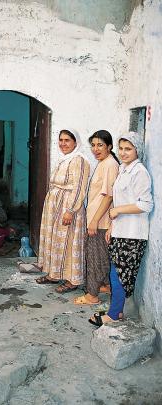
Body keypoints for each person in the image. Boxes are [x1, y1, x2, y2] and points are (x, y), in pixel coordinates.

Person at [89, 132, 153, 326]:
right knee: (116, 274)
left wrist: (117, 211)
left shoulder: (140, 172)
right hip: (120, 231)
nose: (124, 153)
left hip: (133, 234)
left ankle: (114, 314)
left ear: (137, 150)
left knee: (119, 276)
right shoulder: (124, 169)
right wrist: (112, 227)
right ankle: (116, 311)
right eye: (122, 148)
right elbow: (120, 198)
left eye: (129, 149)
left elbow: (146, 204)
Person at [36, 129, 90, 292]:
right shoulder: (64, 159)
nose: (63, 143)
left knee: (69, 243)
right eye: (61, 140)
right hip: (55, 207)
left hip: (68, 208)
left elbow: (79, 188)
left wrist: (70, 210)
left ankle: (73, 280)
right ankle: (54, 274)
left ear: (75, 142)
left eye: (67, 140)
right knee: (56, 242)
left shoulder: (79, 160)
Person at [74, 130, 119, 305]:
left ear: (109, 146)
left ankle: (91, 296)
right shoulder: (104, 163)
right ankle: (105, 285)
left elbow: (108, 196)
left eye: (100, 145)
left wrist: (93, 221)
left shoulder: (109, 165)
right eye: (93, 145)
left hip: (100, 221)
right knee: (101, 256)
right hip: (97, 218)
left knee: (95, 258)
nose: (95, 149)